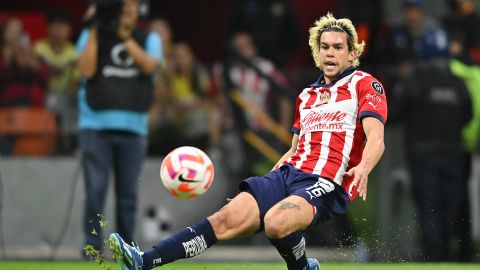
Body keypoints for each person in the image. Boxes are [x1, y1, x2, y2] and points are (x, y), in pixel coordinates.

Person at [108, 13, 387, 270]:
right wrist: (264, 188)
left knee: (276, 223)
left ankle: (301, 267)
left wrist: (363, 167)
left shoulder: (364, 83)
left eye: (338, 47)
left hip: (326, 181)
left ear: (352, 54)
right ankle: (142, 261)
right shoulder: (307, 96)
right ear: (317, 52)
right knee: (224, 219)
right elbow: (293, 150)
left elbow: (376, 137)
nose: (330, 52)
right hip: (288, 174)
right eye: (324, 46)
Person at [76, 0, 162, 253]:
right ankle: (92, 247)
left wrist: (125, 38)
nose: (126, 12)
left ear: (139, 11)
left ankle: (126, 250)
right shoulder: (92, 35)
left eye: (131, 7)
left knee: (127, 197)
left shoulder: (149, 39)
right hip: (95, 126)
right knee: (95, 192)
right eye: (121, 8)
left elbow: (150, 66)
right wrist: (93, 27)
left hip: (133, 128)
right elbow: (87, 69)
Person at [388, 38, 472, 261]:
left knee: (429, 205)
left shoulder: (415, 81)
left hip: (423, 155)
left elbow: (392, 114)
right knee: (450, 206)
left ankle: (434, 257)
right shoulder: (458, 83)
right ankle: (448, 254)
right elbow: (468, 114)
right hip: (453, 153)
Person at [34, 8, 80, 154]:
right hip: (44, 93)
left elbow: (76, 81)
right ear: (48, 28)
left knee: (72, 102)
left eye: (63, 27)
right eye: (55, 26)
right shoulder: (39, 48)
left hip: (66, 94)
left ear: (69, 30)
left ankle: (67, 143)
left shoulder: (74, 52)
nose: (59, 31)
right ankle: (45, 145)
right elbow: (37, 75)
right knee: (52, 100)